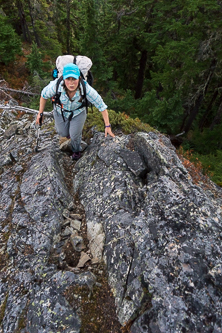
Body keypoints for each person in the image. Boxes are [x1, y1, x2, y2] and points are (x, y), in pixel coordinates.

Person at [36, 63, 115, 160]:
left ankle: (76, 151)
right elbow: (43, 96)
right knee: (62, 133)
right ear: (64, 79)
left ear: (79, 78)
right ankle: (69, 133)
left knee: (75, 136)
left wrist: (107, 126)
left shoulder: (86, 89)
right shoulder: (56, 86)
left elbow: (102, 106)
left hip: (78, 113)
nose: (71, 83)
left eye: (74, 79)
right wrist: (40, 113)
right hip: (60, 111)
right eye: (68, 79)